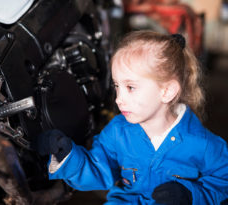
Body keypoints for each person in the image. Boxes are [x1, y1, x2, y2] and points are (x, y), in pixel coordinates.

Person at [36, 30, 228, 204]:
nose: (119, 99)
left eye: (130, 87)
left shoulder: (205, 145)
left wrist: (189, 195)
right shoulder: (118, 131)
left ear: (167, 91)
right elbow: (97, 168)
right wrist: (67, 155)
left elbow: (222, 185)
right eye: (117, 86)